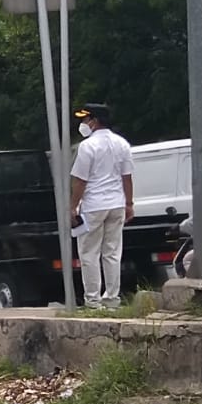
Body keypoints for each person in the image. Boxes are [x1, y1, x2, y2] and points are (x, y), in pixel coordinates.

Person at [69, 104, 134, 309]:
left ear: (94, 121)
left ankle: (93, 300)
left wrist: (72, 206)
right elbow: (127, 177)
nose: (83, 124)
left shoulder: (87, 146)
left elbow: (80, 181)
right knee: (112, 253)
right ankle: (112, 299)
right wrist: (129, 203)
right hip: (117, 204)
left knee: (89, 254)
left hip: (93, 205)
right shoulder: (122, 144)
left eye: (85, 119)